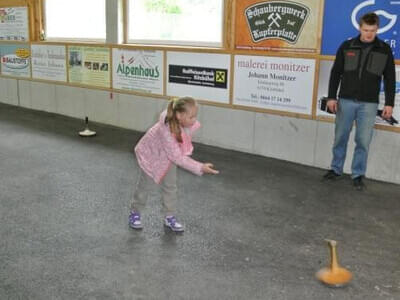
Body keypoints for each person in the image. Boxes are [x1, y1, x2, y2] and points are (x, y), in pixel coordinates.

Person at [323, 12, 396, 190]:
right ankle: (336, 169)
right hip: (346, 100)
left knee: (363, 141)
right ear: (359, 28)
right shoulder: (347, 46)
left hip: (369, 103)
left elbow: (390, 78)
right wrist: (332, 96)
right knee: (340, 137)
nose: (368, 34)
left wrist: (389, 103)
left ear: (377, 29)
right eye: (365, 30)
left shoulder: (384, 50)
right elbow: (335, 73)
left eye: (372, 30)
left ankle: (357, 174)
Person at [129, 96, 219, 232]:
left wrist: (190, 121)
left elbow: (177, 149)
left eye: (196, 116)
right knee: (144, 186)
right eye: (192, 117)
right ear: (179, 115)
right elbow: (178, 157)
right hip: (151, 156)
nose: (195, 120)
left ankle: (169, 216)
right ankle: (135, 212)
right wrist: (200, 167)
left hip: (168, 157)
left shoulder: (181, 122)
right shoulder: (165, 130)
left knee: (170, 186)